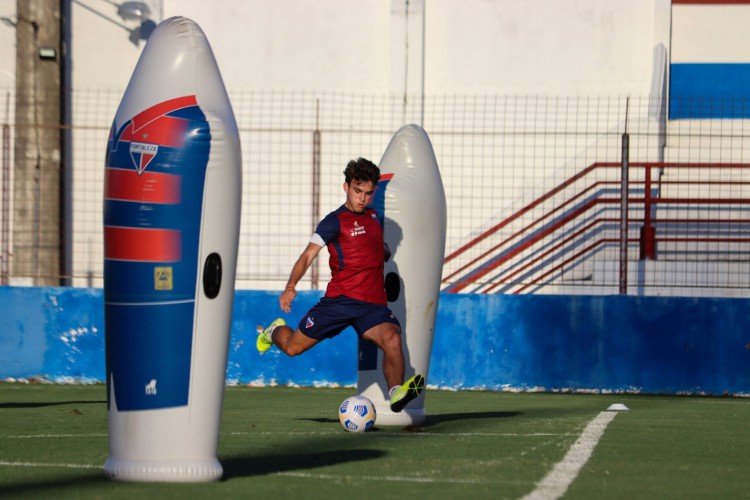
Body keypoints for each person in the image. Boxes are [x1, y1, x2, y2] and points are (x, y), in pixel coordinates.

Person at [257, 157, 424, 413]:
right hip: (339, 303)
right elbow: (307, 256)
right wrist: (291, 286)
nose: (362, 198)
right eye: (357, 191)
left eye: (368, 193)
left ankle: (395, 393)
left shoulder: (374, 216)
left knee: (392, 338)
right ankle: (273, 331)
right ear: (346, 187)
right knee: (292, 348)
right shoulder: (333, 221)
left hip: (372, 306)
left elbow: (376, 247)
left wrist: (383, 252)